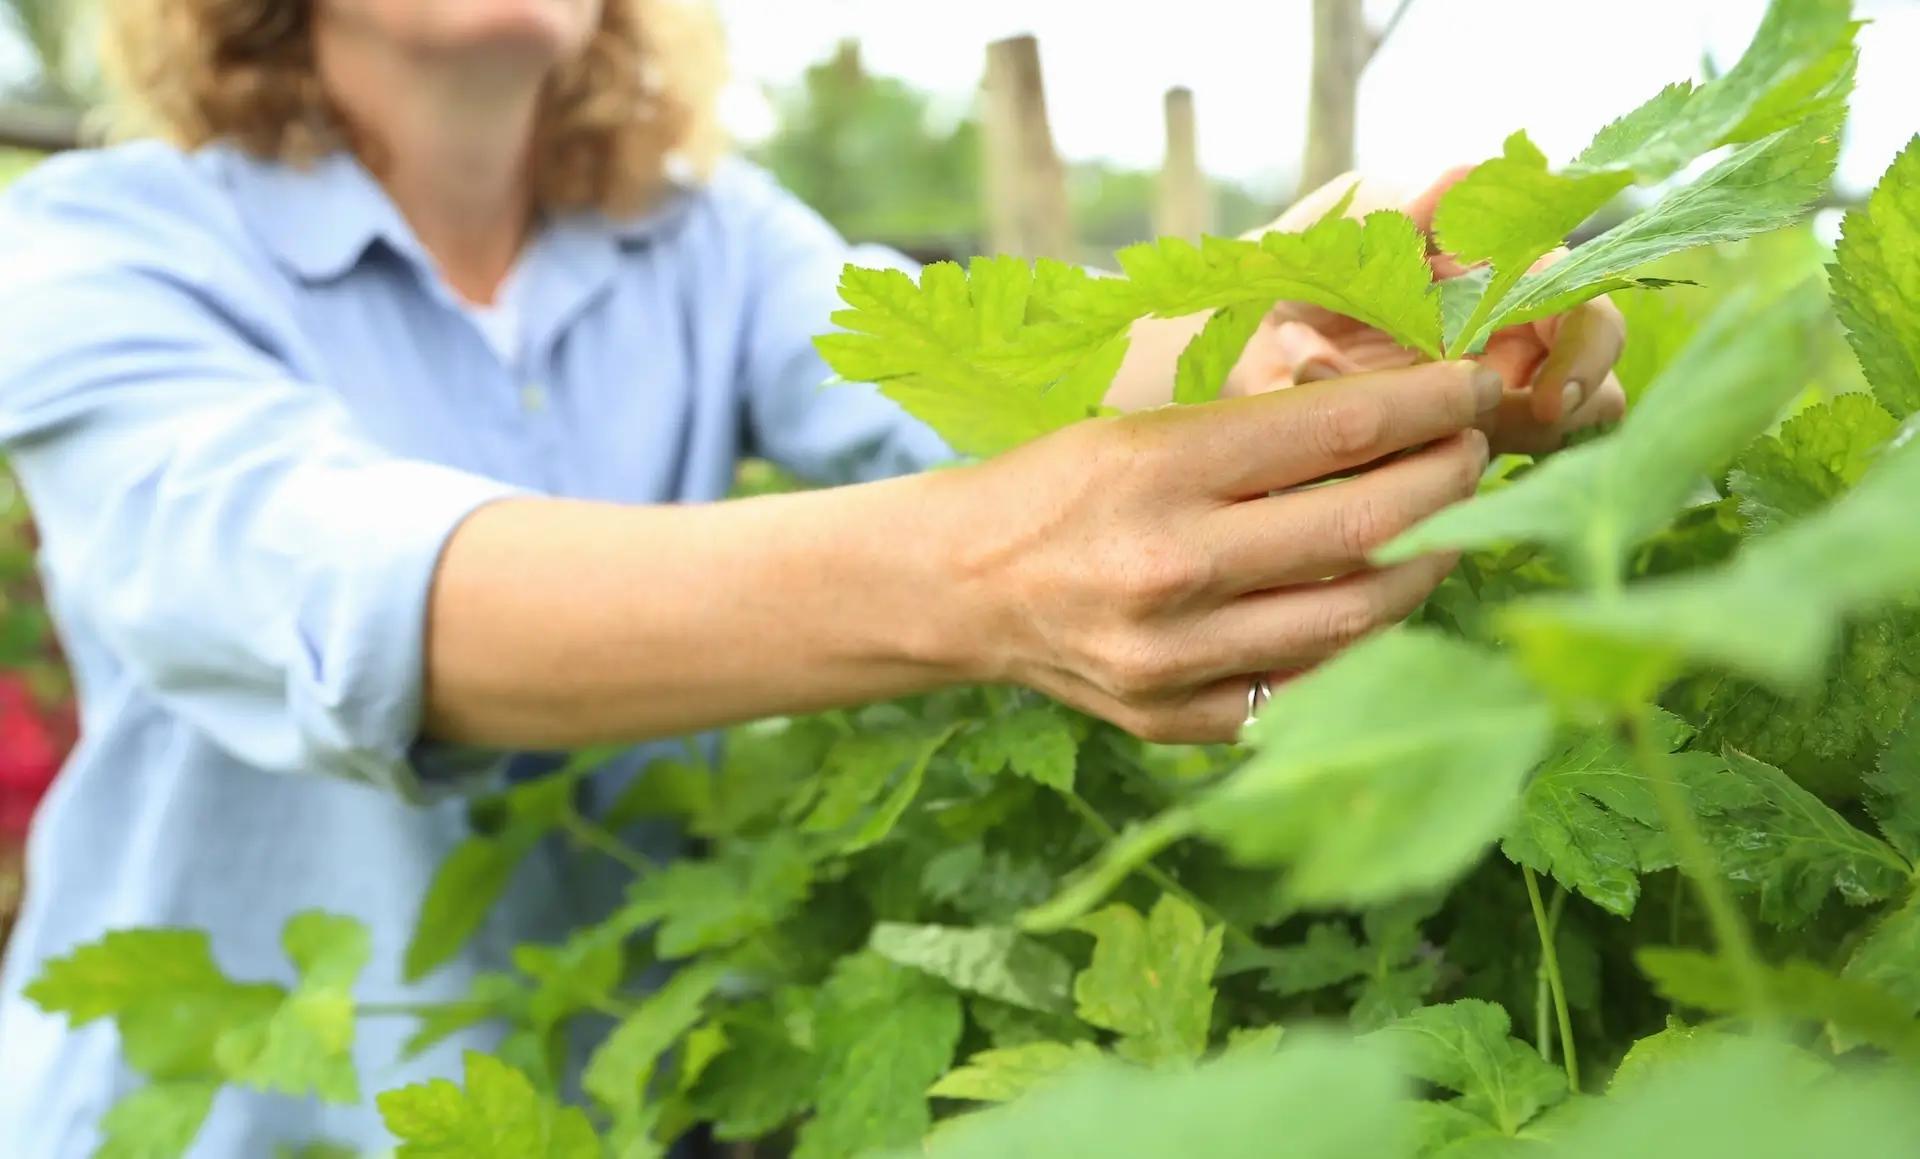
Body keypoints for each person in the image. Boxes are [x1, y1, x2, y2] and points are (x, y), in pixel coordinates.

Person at [0, 0, 1627, 1153]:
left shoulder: (704, 240)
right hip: (230, 1118)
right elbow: (342, 590)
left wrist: (1283, 327)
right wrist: (976, 580)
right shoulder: (96, 241)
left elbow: (972, 378)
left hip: (639, 1097)